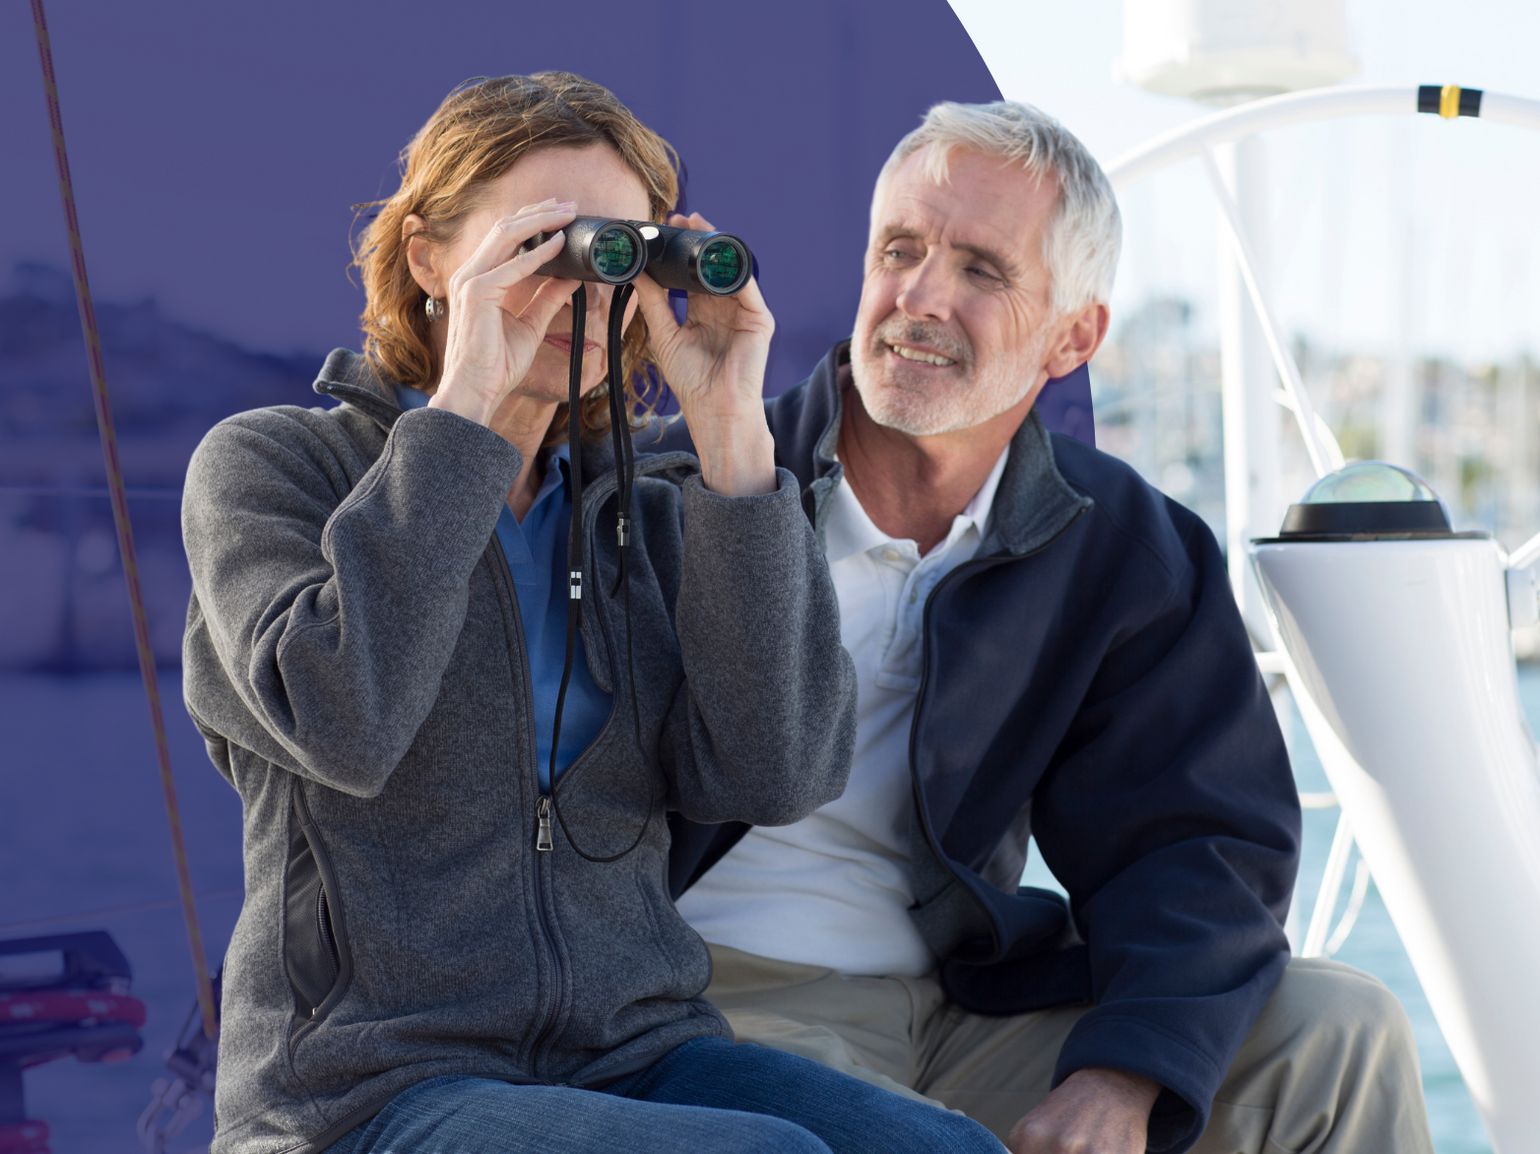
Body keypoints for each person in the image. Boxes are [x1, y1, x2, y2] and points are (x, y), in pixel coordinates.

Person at [180, 73, 1004, 1154]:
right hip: (368, 1087)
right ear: (431, 259)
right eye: (545, 246)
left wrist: (730, 438)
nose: (585, 287)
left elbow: (777, 771)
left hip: (637, 1051)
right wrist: (469, 407)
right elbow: (345, 718)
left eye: (620, 253)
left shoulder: (651, 507)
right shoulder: (278, 465)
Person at [653, 102, 1436, 1154]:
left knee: (1344, 1035)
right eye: (901, 250)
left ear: (1074, 336)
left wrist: (1125, 1074)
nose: (921, 298)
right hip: (718, 999)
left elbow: (1201, 845)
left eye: (981, 270)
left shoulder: (1127, 549)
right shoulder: (686, 486)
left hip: (968, 995)